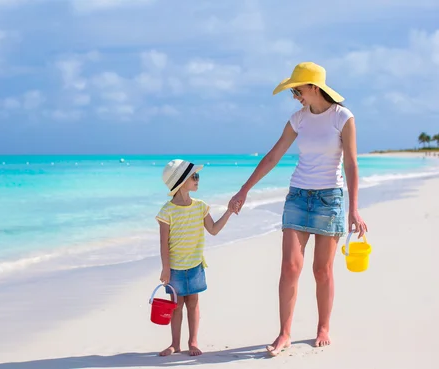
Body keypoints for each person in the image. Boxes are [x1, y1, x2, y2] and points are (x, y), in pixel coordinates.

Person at [230, 62, 368, 356]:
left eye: (298, 89)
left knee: (322, 270)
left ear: (314, 88)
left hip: (329, 198)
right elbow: (273, 156)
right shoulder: (298, 119)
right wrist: (244, 189)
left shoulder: (343, 118)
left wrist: (354, 208)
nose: (295, 95)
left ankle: (323, 327)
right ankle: (284, 334)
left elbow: (351, 164)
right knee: (290, 266)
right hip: (297, 196)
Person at [156, 159, 235, 357]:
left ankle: (193, 341)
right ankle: (175, 344)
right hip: (174, 268)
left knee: (193, 304)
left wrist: (229, 211)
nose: (198, 180)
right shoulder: (167, 211)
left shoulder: (201, 207)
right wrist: (165, 268)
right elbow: (163, 243)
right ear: (181, 182)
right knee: (176, 306)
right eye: (194, 177)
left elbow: (214, 230)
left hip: (195, 266)